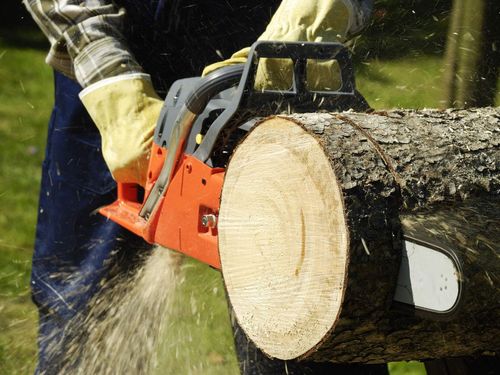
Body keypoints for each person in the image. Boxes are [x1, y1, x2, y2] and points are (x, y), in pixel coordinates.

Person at [23, 1, 387, 374]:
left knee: (310, 311)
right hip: (112, 61)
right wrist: (115, 95)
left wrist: (297, 36)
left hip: (270, 57)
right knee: (86, 309)